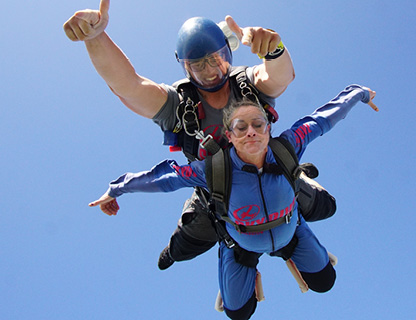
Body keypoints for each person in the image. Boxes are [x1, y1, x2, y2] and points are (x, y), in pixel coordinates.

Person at [64, 0, 337, 271]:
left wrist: (274, 50)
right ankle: (220, 248)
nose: (209, 72)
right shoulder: (177, 105)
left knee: (325, 208)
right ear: (185, 68)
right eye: (198, 65)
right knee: (184, 246)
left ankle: (291, 210)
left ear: (227, 55)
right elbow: (130, 86)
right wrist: (96, 38)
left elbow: (280, 76)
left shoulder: (247, 85)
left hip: (270, 173)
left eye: (215, 61)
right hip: (215, 191)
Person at [89, 85, 377, 319]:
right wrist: (117, 188)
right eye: (240, 127)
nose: (250, 131)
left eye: (257, 124)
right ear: (229, 135)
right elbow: (167, 177)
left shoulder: (288, 146)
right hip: (240, 244)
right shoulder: (214, 168)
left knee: (325, 282)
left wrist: (360, 93)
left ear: (268, 129)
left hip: (291, 228)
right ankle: (218, 241)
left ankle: (300, 181)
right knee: (238, 314)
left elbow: (325, 118)